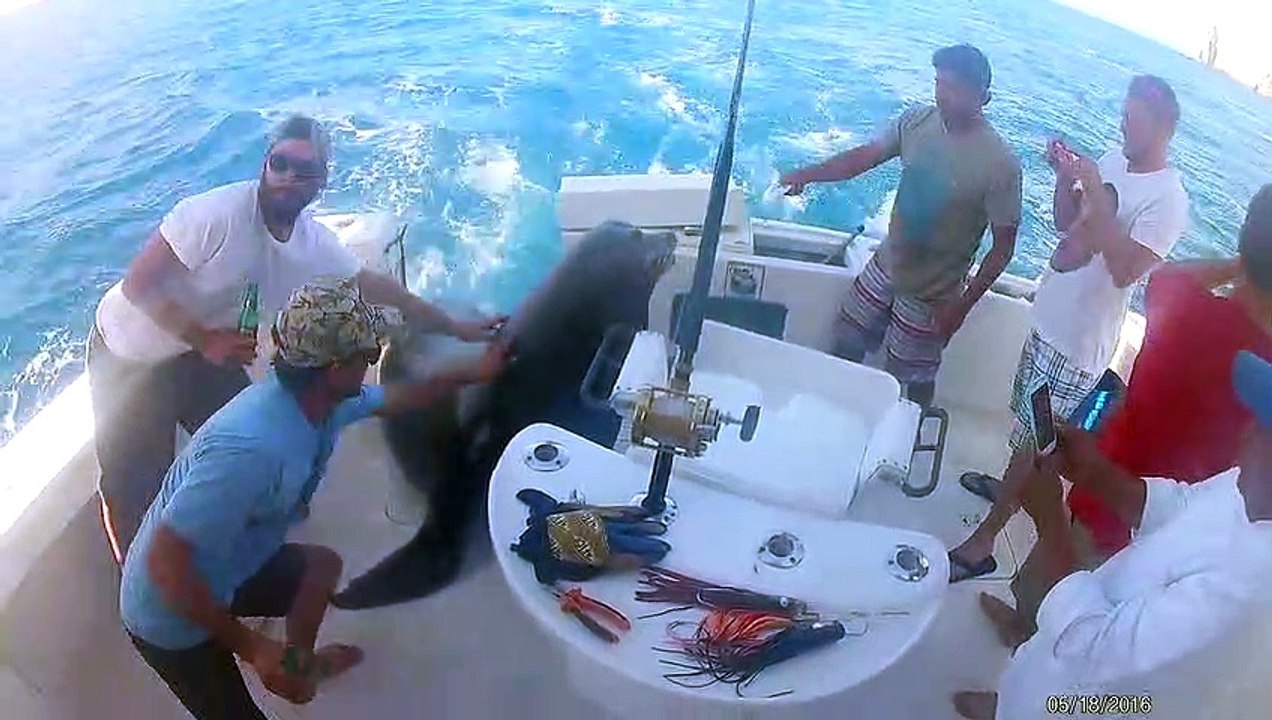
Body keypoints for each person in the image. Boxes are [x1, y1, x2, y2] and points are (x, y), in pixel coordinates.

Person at [87, 114, 502, 565]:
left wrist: (457, 328)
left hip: (197, 354)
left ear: (321, 182)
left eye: (304, 170)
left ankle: (250, 524)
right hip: (131, 351)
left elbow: (382, 290)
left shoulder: (311, 244)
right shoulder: (213, 215)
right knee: (131, 483)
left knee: (253, 447)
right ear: (265, 164)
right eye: (279, 163)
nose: (287, 177)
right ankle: (136, 589)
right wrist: (204, 338)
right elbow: (138, 285)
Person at [119, 276, 510, 720]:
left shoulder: (320, 399)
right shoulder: (250, 449)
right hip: (169, 613)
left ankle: (298, 671)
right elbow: (166, 565)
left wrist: (473, 373)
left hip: (226, 566)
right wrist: (254, 648)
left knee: (320, 568)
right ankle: (281, 669)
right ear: (334, 369)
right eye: (366, 353)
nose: (372, 358)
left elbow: (401, 396)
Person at [978, 183, 1272, 648]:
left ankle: (1021, 646)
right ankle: (1024, 649)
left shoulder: (1183, 305)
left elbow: (1169, 275)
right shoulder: (1265, 379)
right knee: (1096, 629)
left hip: (1104, 481)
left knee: (1064, 613)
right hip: (1170, 532)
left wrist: (1245, 262)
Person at [949, 75, 1189, 582]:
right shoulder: (1113, 158)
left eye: (1134, 119)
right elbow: (1067, 224)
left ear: (1163, 128)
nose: (1122, 125)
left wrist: (1098, 200)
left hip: (1077, 347)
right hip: (1047, 321)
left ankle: (985, 540)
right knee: (1024, 431)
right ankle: (1006, 494)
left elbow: (1126, 269)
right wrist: (1065, 178)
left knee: (1037, 446)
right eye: (1123, 114)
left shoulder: (1170, 200)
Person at [953, 350, 1272, 720]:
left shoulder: (1252, 588)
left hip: (1112, 703)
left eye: (1266, 432)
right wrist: (1095, 472)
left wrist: (1051, 523)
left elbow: (1093, 647)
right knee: (1034, 686)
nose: (1246, 433)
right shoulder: (1252, 487)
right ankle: (1009, 705)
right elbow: (1183, 505)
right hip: (1068, 669)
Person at [780, 44, 1022, 406]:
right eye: (939, 83)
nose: (943, 96)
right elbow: (863, 156)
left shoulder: (1001, 164)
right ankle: (832, 410)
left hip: (931, 294)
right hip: (886, 264)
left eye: (954, 89)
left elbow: (1003, 247)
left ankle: (911, 436)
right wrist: (808, 174)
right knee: (847, 340)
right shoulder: (916, 122)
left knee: (913, 380)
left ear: (983, 97)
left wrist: (960, 306)